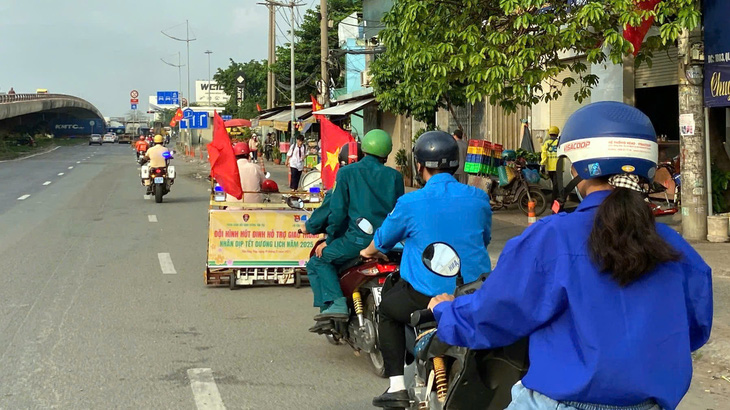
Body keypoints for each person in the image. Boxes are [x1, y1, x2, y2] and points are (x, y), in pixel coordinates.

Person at [429, 102, 712, 410]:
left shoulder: (552, 236)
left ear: (575, 168)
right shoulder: (676, 247)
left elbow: (496, 312)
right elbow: (695, 328)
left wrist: (448, 312)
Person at [360, 130, 493, 408]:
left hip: (425, 296)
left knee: (387, 310)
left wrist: (367, 251)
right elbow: (484, 239)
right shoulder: (478, 198)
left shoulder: (410, 202)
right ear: (455, 164)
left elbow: (383, 238)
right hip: (474, 294)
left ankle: (397, 386)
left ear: (419, 165)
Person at [307, 129, 404, 322]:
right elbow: (399, 211)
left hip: (356, 241)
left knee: (318, 261)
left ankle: (336, 303)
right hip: (389, 242)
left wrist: (330, 239)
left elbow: (337, 211)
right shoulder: (394, 176)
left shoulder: (346, 173)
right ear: (387, 153)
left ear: (364, 149)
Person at [303, 142, 364, 329]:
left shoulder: (342, 181)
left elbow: (333, 212)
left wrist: (312, 229)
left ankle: (332, 308)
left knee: (317, 260)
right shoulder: (381, 179)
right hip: (384, 240)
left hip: (351, 240)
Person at [541, 125, 560, 199]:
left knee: (554, 185)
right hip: (558, 167)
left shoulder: (546, 143)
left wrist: (542, 165)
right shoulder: (559, 142)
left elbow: (544, 155)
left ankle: (555, 201)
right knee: (557, 186)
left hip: (550, 168)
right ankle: (554, 202)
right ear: (557, 133)